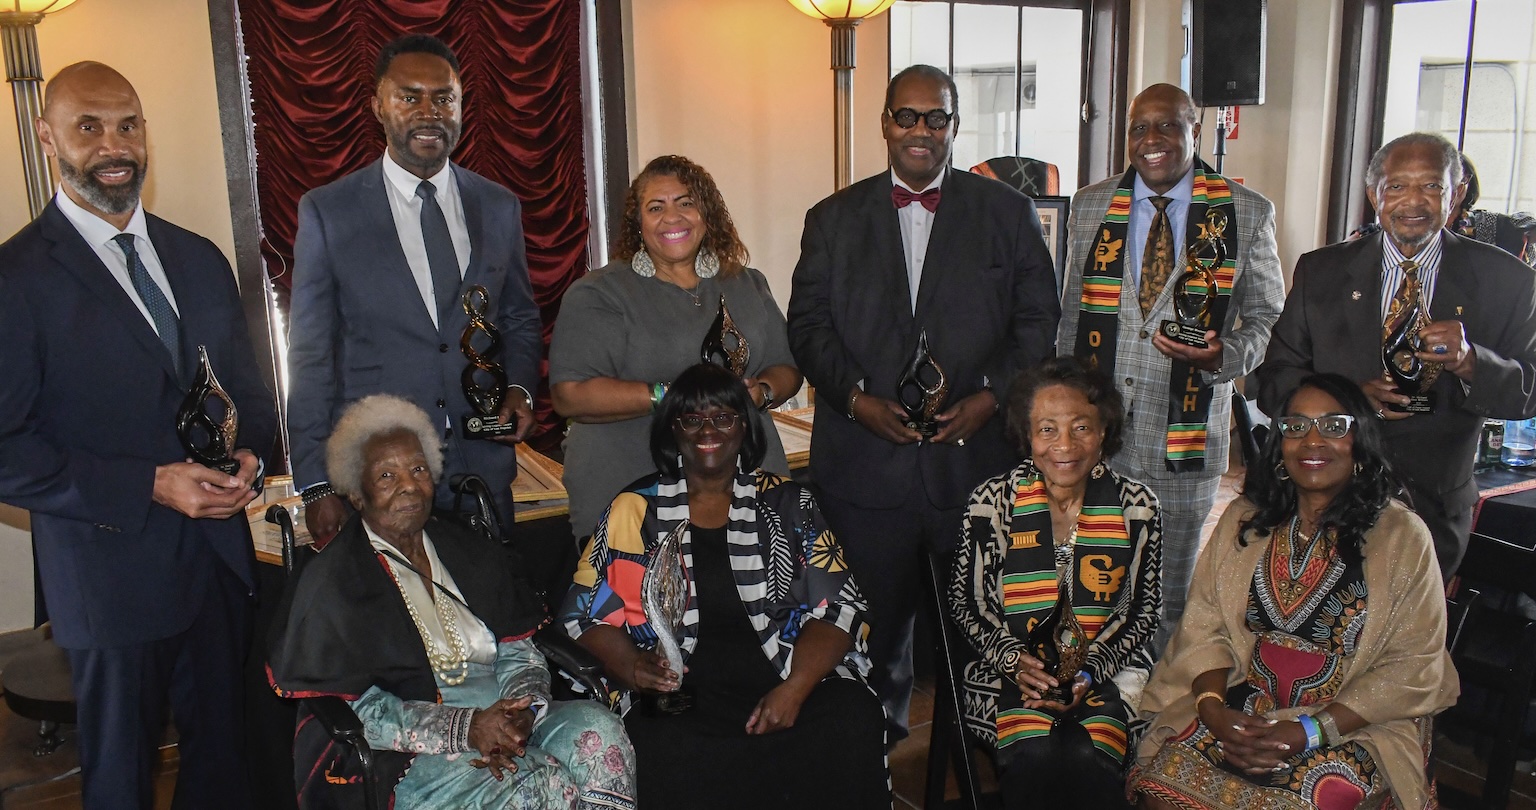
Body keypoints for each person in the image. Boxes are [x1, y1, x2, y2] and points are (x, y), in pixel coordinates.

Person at [0, 62, 277, 808]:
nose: (113, 143)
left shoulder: (200, 259)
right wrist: (150, 482)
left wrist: (252, 452)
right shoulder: (17, 278)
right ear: (47, 134)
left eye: (128, 123)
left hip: (219, 565)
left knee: (224, 764)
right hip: (110, 583)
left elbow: (248, 394)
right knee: (121, 778)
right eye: (89, 127)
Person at [786, 63, 1060, 739]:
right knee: (873, 640)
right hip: (863, 471)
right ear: (885, 123)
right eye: (906, 116)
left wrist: (992, 398)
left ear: (954, 127)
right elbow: (808, 330)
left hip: (973, 469)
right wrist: (855, 401)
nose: (920, 130)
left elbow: (1037, 323)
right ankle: (874, 763)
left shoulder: (1006, 212)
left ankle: (981, 761)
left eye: (936, 118)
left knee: (986, 642)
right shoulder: (831, 219)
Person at [268, 395, 636, 809]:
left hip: (505, 713)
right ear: (356, 492)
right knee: (541, 783)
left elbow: (519, 647)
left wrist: (522, 711)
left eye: (419, 469)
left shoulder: (467, 551)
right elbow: (363, 712)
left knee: (600, 731)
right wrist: (469, 728)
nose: (408, 485)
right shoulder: (335, 581)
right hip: (411, 750)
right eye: (387, 475)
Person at [561, 364, 887, 809]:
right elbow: (583, 617)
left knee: (852, 717)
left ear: (744, 426)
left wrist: (794, 689)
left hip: (786, 673)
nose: (707, 430)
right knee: (658, 738)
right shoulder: (634, 512)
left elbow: (840, 609)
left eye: (723, 417)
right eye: (692, 419)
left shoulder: (788, 503)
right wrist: (635, 668)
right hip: (683, 696)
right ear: (672, 429)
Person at [1131, 373, 1459, 810]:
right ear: (1280, 446)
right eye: (1296, 426)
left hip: (1355, 720)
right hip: (1242, 704)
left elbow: (1412, 665)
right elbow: (1202, 628)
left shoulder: (1402, 536)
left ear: (1359, 442)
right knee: (1166, 785)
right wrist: (1214, 713)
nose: (1313, 441)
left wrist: (1309, 731)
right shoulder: (1244, 520)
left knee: (1298, 800)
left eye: (1334, 427)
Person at [287, 33, 541, 543]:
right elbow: (310, 355)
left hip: (481, 468)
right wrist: (316, 486)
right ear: (378, 105)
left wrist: (520, 388)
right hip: (380, 472)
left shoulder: (497, 205)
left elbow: (518, 317)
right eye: (409, 96)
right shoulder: (329, 212)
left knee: (493, 616)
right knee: (392, 621)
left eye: (444, 97)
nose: (430, 111)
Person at [1057, 83, 1285, 650]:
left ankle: (1154, 725)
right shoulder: (1090, 205)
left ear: (1193, 131)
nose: (1151, 140)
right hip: (1095, 439)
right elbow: (1069, 318)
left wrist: (1223, 358)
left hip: (1182, 440)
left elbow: (1266, 320)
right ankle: (1096, 713)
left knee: (1167, 601)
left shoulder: (1244, 211)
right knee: (1088, 586)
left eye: (1167, 126)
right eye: (1139, 128)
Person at [1257, 132, 1536, 577]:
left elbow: (1528, 390)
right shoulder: (1321, 270)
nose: (1414, 202)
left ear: (1457, 193)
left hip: (1434, 506)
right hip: (1325, 497)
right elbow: (1273, 380)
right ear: (1374, 195)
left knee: (1411, 641)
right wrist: (1346, 401)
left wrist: (1470, 361)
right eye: (1397, 187)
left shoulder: (1507, 280)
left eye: (1432, 186)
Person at [549, 154, 801, 542]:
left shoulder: (746, 283)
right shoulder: (599, 293)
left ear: (707, 212)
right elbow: (571, 395)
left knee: (756, 597)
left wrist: (763, 391)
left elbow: (786, 366)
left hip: (745, 478)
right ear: (638, 223)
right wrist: (674, 396)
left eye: (686, 202)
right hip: (632, 485)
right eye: (656, 207)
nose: (673, 217)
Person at [950, 357, 1161, 810]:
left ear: (1104, 431)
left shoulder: (1138, 507)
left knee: (1088, 751)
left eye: (1081, 427)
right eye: (1047, 429)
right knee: (1038, 751)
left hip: (1112, 659)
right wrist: (1013, 661)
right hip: (1008, 660)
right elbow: (968, 604)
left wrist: (1091, 670)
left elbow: (1143, 612)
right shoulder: (991, 503)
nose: (1064, 445)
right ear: (1027, 435)